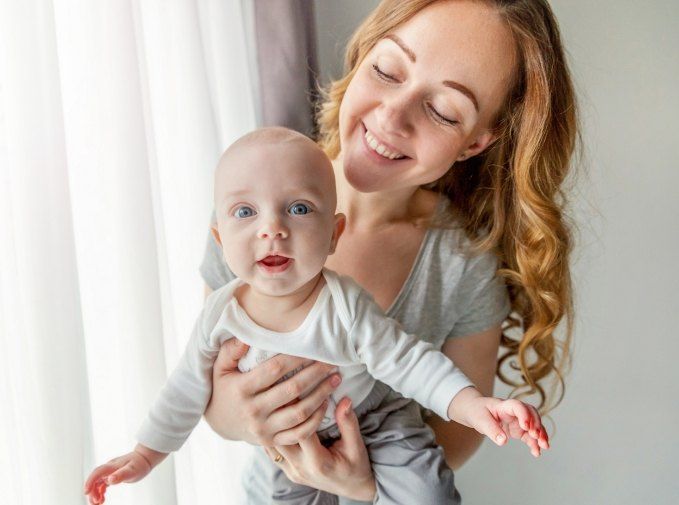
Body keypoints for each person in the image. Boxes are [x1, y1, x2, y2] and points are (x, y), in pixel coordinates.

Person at [201, 0, 578, 503]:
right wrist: (224, 417)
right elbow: (207, 372)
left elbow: (458, 436)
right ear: (362, 56)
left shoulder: (462, 265)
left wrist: (364, 487)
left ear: (474, 143)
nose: (391, 117)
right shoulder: (251, 208)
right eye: (387, 70)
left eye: (444, 111)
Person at [82, 127, 549, 505]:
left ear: (333, 235)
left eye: (299, 209)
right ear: (220, 240)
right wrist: (144, 456)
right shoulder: (220, 313)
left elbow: (407, 361)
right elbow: (187, 388)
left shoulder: (343, 303)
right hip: (288, 448)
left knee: (427, 495)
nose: (272, 229)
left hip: (374, 422)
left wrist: (474, 407)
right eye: (245, 212)